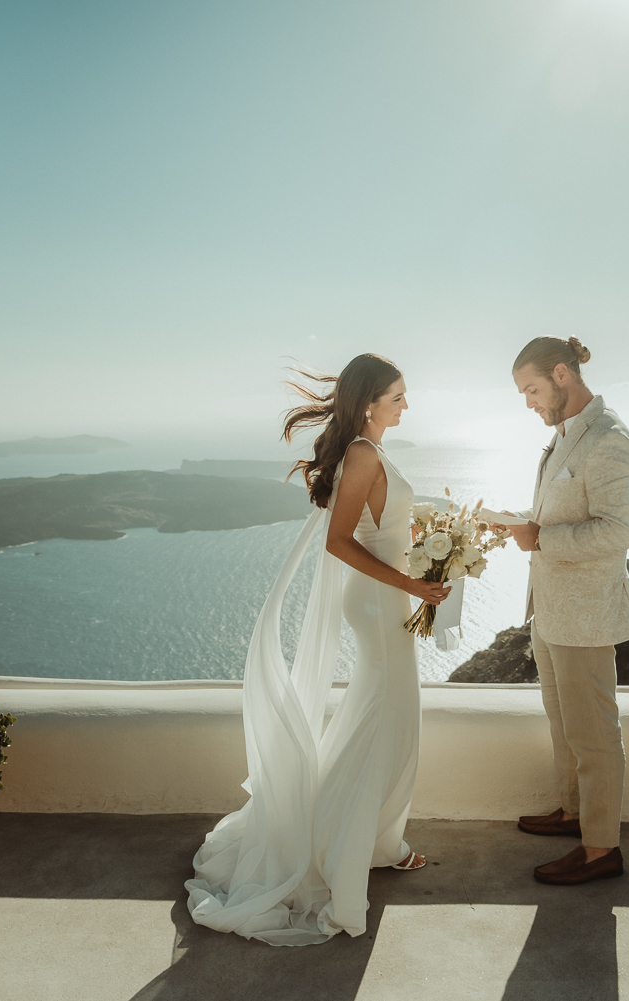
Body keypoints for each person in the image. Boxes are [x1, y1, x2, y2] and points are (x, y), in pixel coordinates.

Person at [184, 353, 449, 946]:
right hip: (382, 604)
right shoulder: (361, 452)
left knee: (387, 722)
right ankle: (347, 865)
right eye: (399, 396)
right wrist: (410, 582)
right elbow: (338, 542)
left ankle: (377, 843)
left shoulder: (373, 451)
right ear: (369, 402)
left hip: (390, 600)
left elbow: (383, 526)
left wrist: (437, 546)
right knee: (384, 727)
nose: (407, 405)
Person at [507, 336, 629, 886]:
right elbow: (562, 512)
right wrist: (521, 523)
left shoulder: (609, 440)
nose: (529, 402)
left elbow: (618, 532)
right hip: (553, 610)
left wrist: (539, 538)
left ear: (562, 374)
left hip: (585, 615)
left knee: (593, 734)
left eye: (532, 389)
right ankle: (572, 814)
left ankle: (600, 848)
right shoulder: (565, 435)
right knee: (563, 725)